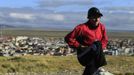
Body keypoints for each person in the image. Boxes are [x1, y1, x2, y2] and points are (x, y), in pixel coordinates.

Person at [64, 7, 108, 75]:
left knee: (93, 62)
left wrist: (101, 48)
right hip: (83, 54)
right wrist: (79, 46)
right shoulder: (81, 27)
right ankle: (99, 65)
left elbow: (105, 39)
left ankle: (96, 67)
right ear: (89, 17)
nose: (96, 19)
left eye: (98, 17)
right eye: (94, 17)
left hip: (94, 55)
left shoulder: (102, 27)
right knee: (97, 44)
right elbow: (68, 38)